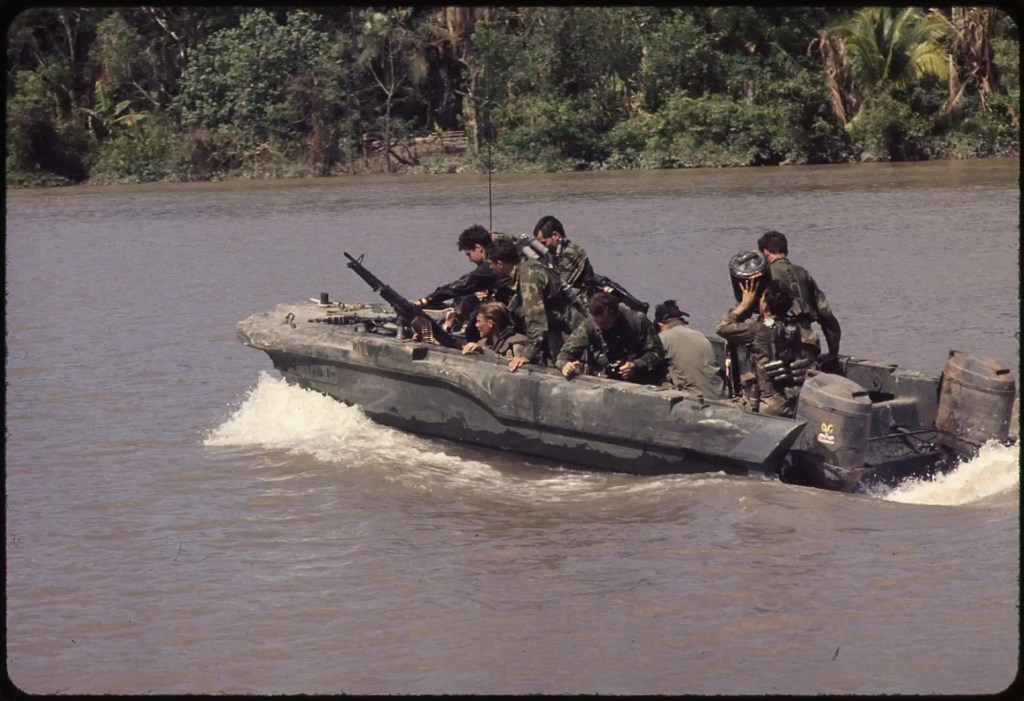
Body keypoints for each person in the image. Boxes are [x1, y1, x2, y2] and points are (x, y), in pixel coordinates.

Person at [715, 278, 811, 418]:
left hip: (765, 407)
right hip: (789, 403)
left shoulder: (758, 331)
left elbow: (722, 328)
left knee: (715, 409)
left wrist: (743, 305)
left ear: (765, 306)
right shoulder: (793, 329)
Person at [486, 238, 584, 366]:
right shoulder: (526, 267)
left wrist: (527, 355)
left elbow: (536, 319)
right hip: (561, 327)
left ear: (500, 264)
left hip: (570, 331)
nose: (490, 268)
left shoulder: (529, 277)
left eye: (491, 264)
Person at [756, 230, 841, 363]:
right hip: (807, 343)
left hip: (776, 342)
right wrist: (833, 351)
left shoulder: (764, 275)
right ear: (786, 250)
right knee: (807, 375)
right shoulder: (803, 273)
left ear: (765, 252)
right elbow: (826, 315)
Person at [412, 224, 503, 340]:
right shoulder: (502, 253)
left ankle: (471, 340)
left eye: (469, 254)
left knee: (469, 306)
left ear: (478, 248)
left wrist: (426, 300)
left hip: (506, 310)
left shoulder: (489, 266)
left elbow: (461, 285)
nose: (470, 260)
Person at [557, 291, 664, 384]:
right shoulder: (590, 325)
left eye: (604, 323)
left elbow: (657, 352)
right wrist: (565, 365)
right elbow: (564, 354)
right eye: (597, 323)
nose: (600, 326)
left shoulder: (638, 321)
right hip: (603, 380)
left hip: (638, 381)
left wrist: (636, 365)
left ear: (615, 314)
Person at [654, 300, 727, 398]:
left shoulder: (663, 338)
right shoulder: (698, 334)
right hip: (718, 394)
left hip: (693, 398)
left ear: (660, 325)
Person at [533, 215, 596, 301]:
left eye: (544, 243)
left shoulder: (572, 253)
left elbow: (559, 285)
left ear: (555, 235)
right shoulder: (551, 253)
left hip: (580, 300)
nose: (541, 247)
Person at [461, 301, 530, 372]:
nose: (476, 325)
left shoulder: (516, 343)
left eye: (479, 321)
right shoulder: (482, 343)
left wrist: (484, 350)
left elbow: (515, 370)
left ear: (490, 323)